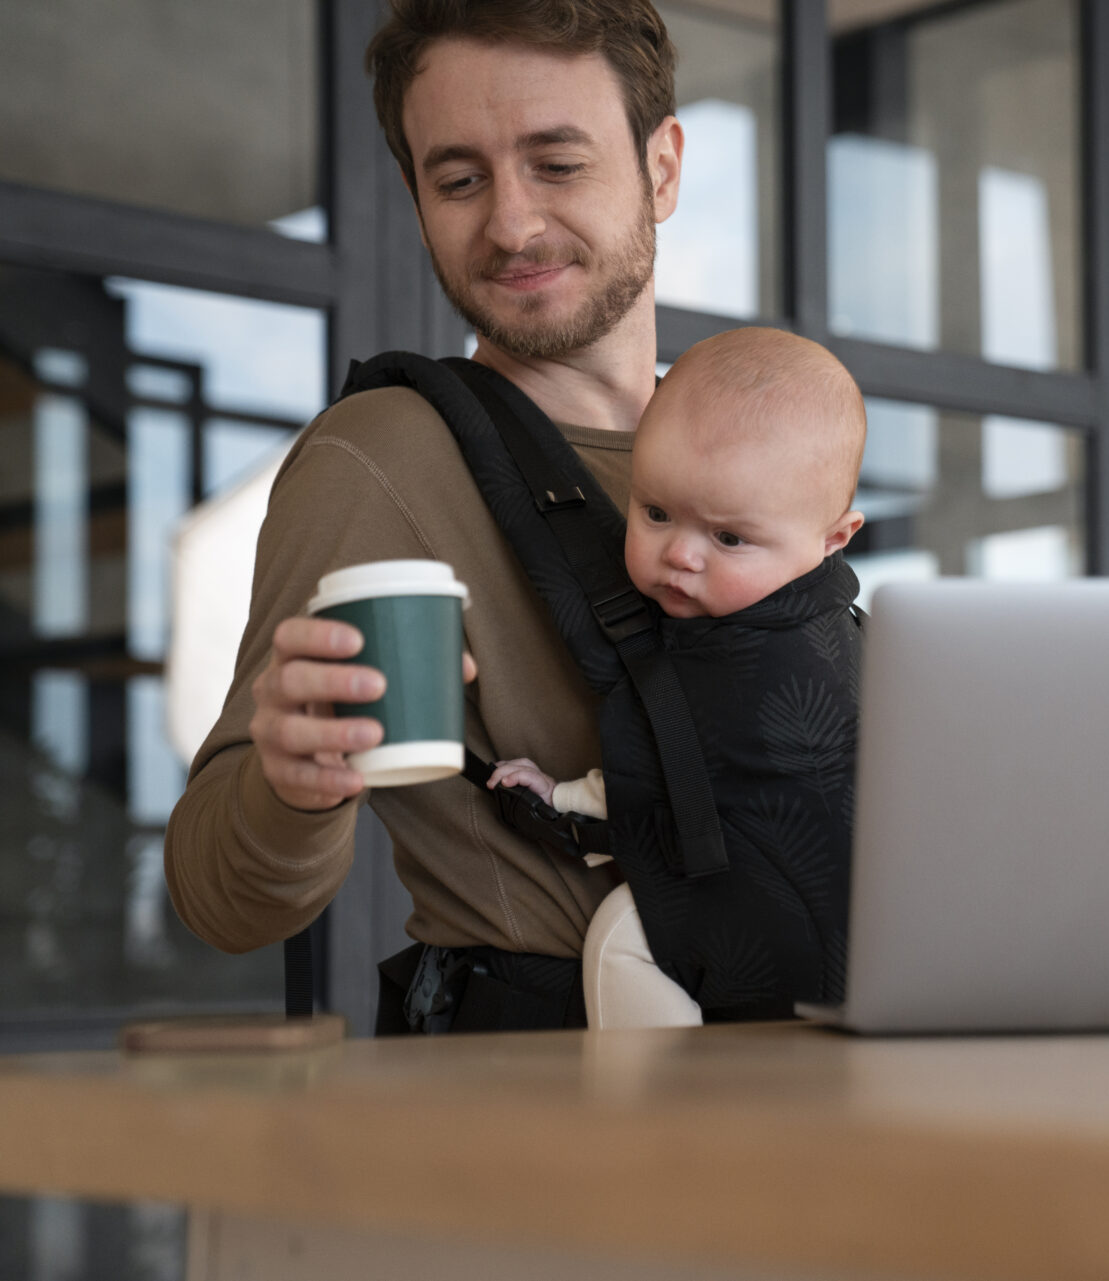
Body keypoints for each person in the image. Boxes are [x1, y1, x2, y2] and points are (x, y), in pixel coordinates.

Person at [163, 0, 693, 1033]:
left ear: (662, 169)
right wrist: (294, 781)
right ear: (415, 199)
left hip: (805, 1083)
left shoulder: (749, 447)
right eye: (458, 179)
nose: (511, 223)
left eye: (557, 162)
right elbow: (220, 896)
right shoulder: (384, 457)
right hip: (546, 1113)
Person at [486, 326, 866, 1029]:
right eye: (655, 512)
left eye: (728, 538)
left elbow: (662, 769)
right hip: (861, 935)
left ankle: (657, 1108)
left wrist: (560, 795)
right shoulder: (856, 637)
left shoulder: (725, 653)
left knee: (622, 937)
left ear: (832, 539)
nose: (681, 555)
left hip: (769, 923)